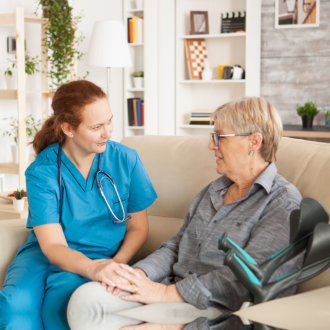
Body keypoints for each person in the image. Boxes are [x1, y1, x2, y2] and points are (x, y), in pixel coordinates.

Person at [67, 97, 303, 330]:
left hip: (221, 310)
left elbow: (251, 280)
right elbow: (176, 247)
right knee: (85, 302)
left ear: (254, 141)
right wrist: (137, 274)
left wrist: (170, 297)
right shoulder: (212, 191)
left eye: (219, 137)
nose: (212, 145)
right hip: (170, 293)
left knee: (93, 312)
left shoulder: (283, 204)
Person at [0, 80, 157, 329]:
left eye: (109, 121)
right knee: (14, 305)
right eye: (96, 127)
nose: (108, 133)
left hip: (101, 255)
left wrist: (117, 262)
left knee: (61, 307)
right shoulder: (43, 171)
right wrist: (93, 269)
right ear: (68, 129)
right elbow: (52, 245)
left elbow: (139, 227)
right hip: (44, 253)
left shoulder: (126, 160)